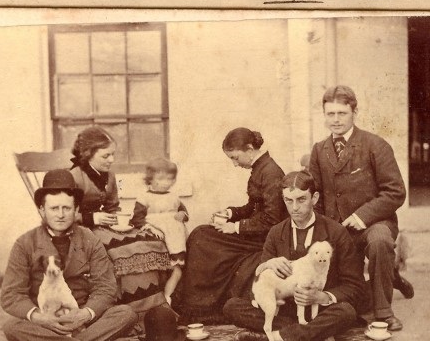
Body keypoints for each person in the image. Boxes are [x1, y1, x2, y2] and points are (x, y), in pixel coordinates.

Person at [1, 169, 137, 341]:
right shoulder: (24, 243)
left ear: (76, 210)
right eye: (54, 208)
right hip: (45, 322)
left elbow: (106, 288)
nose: (61, 215)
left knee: (127, 314)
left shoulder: (90, 239)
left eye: (66, 208)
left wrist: (85, 314)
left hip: (82, 320)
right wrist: (40, 318)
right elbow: (11, 295)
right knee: (12, 327)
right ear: (41, 210)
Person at [308, 85, 413, 332]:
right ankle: (388, 278)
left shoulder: (375, 145)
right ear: (324, 115)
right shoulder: (319, 150)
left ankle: (384, 313)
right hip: (337, 227)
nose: (335, 120)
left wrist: (362, 216)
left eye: (342, 113)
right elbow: (316, 195)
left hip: (374, 223)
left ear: (355, 112)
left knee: (379, 243)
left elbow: (395, 192)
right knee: (345, 299)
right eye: (330, 114)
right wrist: (323, 228)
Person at [223, 171, 365, 341]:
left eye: (301, 199)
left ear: (314, 198)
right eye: (288, 200)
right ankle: (309, 333)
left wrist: (321, 297)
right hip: (285, 309)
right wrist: (267, 264)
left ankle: (273, 335)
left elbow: (355, 287)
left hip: (320, 309)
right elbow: (262, 279)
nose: (294, 207)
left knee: (347, 312)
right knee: (231, 307)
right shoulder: (276, 232)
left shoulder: (336, 232)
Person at [177, 127, 288, 322]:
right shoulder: (260, 168)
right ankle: (196, 303)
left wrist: (235, 227)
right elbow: (253, 207)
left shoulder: (271, 172)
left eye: (236, 158)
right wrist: (230, 213)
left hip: (264, 239)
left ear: (250, 149)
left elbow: (272, 219)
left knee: (202, 240)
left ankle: (202, 307)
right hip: (254, 232)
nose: (235, 164)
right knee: (201, 234)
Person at [69, 127, 174, 318]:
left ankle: (154, 312)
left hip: (104, 227)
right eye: (106, 156)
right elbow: (64, 215)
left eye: (113, 154)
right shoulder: (75, 176)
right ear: (88, 155)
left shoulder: (109, 176)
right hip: (80, 230)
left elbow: (113, 206)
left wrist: (119, 220)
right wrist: (91, 218)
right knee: (121, 248)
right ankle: (131, 313)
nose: (111, 160)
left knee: (147, 240)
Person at [130, 157, 189, 307]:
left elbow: (183, 211)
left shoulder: (174, 197)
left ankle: (168, 296)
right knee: (159, 269)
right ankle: (158, 298)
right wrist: (152, 228)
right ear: (150, 179)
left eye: (170, 179)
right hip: (155, 235)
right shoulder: (145, 197)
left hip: (176, 238)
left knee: (177, 268)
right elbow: (137, 219)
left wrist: (182, 215)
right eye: (161, 178)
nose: (166, 182)